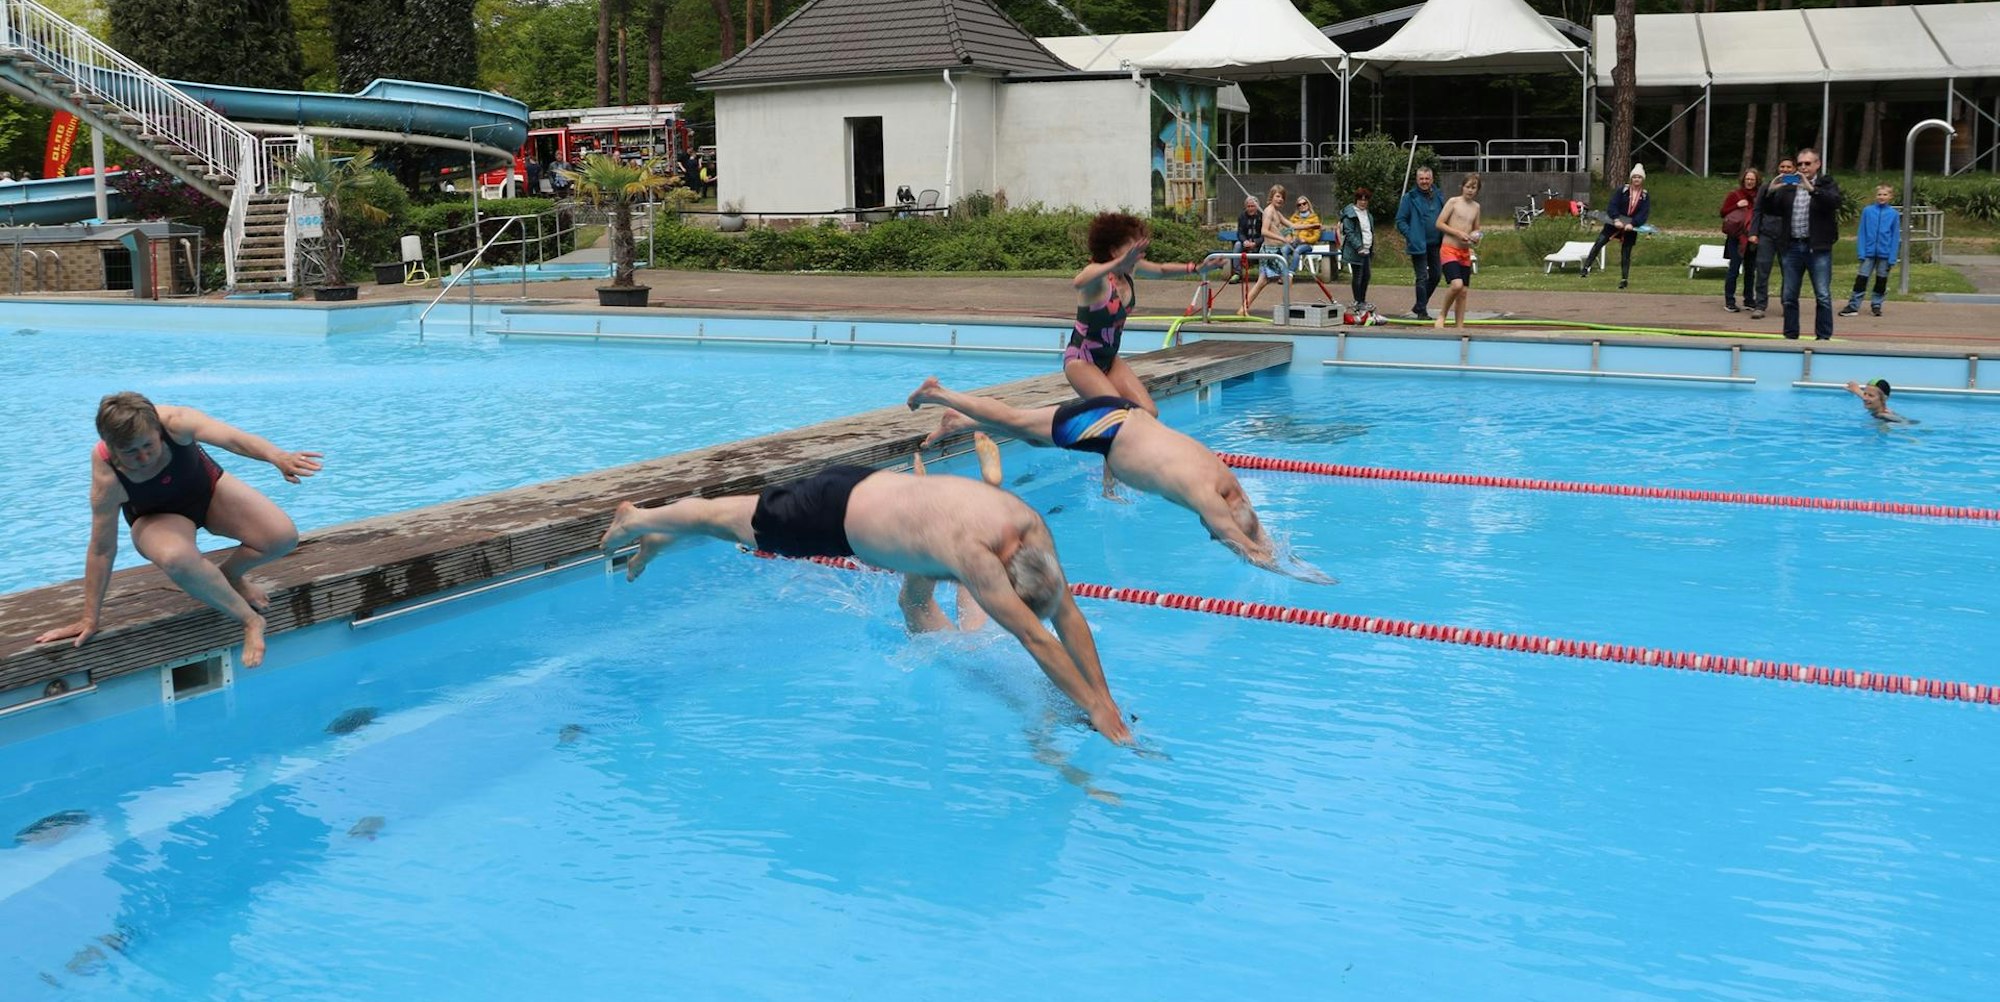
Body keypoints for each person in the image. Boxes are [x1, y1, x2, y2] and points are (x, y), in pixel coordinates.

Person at [597, 465, 1134, 745]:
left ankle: (663, 536)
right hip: (830, 518)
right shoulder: (975, 559)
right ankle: (638, 519)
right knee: (723, 519)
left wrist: (1103, 696)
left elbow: (1067, 614)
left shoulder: (1027, 524)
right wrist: (1093, 709)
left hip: (866, 487)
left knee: (728, 521)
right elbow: (1037, 637)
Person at [906, 377, 1336, 585]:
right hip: (1109, 425)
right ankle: (940, 393)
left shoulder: (1227, 483)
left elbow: (1248, 524)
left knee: (1034, 440)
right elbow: (1235, 533)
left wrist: (1273, 546)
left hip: (1115, 431)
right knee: (1016, 420)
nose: (1210, 534)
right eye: (1213, 530)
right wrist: (1276, 566)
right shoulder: (1207, 495)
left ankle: (959, 420)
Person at [35, 392, 322, 669]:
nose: (144, 458)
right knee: (176, 558)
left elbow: (233, 439)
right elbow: (102, 549)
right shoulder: (107, 478)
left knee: (281, 537)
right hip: (158, 518)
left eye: (149, 445)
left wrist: (277, 457)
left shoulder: (175, 421)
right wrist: (89, 618)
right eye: (131, 453)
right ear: (111, 447)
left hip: (208, 492)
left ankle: (228, 576)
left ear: (158, 430)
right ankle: (250, 621)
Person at [1062, 211, 1216, 419]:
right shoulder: (1098, 280)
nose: (1140, 255)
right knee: (1119, 416)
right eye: (1134, 249)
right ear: (1115, 251)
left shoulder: (1129, 270)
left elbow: (1161, 270)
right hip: (1082, 361)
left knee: (1148, 412)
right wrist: (1117, 263)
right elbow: (1078, 281)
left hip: (1109, 359)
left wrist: (1197, 268)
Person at [1762, 147, 1844, 340]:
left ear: (1818, 164)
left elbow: (1834, 202)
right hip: (1792, 247)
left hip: (1818, 249)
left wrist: (1812, 189)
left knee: (1822, 295)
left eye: (1808, 163)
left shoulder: (1826, 183)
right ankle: (1791, 336)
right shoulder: (1790, 186)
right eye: (1800, 164)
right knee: (1789, 296)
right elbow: (1772, 210)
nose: (1803, 167)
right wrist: (1771, 191)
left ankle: (1823, 337)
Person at [1582, 163, 1651, 288]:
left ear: (1642, 180)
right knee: (1599, 242)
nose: (1636, 179)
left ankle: (1624, 279)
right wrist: (1616, 219)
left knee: (1626, 253)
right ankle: (1586, 268)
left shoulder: (1644, 196)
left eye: (1639, 177)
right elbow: (1612, 205)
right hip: (1615, 223)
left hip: (1630, 226)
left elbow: (1643, 213)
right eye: (1634, 177)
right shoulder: (1622, 191)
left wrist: (1633, 223)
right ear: (1631, 178)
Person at [1841, 184, 1902, 319]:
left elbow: (1895, 236)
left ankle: (1877, 304)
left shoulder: (1893, 214)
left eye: (1885, 195)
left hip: (1885, 254)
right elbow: (1862, 231)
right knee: (1861, 279)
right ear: (1876, 196)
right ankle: (1853, 304)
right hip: (1868, 252)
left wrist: (1893, 256)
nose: (1882, 197)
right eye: (1879, 194)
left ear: (1890, 197)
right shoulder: (1868, 211)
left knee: (1881, 280)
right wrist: (1861, 251)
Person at [1746, 156, 1795, 320]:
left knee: (1788, 271)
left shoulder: (1797, 188)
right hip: (1766, 233)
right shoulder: (1766, 186)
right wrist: (1753, 232)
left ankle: (1787, 304)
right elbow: (1757, 210)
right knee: (1762, 270)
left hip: (1787, 235)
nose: (1785, 170)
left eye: (1789, 167)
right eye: (1782, 167)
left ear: (1794, 169)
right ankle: (1760, 305)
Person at [1431, 173, 1482, 329]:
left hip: (1464, 253)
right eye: (1468, 187)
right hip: (1449, 249)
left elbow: (1477, 229)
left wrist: (1476, 237)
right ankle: (1442, 314)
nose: (1470, 190)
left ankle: (1460, 326)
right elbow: (1439, 223)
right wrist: (1457, 233)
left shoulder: (1476, 207)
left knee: (1463, 292)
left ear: (1477, 190)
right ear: (1462, 187)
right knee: (1457, 285)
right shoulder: (1453, 202)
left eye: (1473, 188)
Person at [1395, 166, 1444, 320]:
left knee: (1436, 275)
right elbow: (1400, 221)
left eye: (1427, 178)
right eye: (1421, 179)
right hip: (1418, 245)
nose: (1424, 181)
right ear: (1417, 180)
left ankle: (1419, 304)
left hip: (1436, 243)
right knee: (1422, 276)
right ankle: (1422, 311)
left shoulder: (1439, 195)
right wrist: (1411, 235)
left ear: (1432, 179)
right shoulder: (1409, 198)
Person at [1244, 183, 1296, 312]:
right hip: (1269, 251)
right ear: (1272, 197)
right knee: (1287, 278)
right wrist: (1282, 238)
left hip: (1275, 251)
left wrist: (1312, 226)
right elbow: (1264, 231)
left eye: (1282, 197)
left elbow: (1293, 226)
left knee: (1262, 282)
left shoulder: (1277, 213)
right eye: (1278, 196)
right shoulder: (1269, 211)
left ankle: (1243, 308)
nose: (1280, 199)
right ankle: (1286, 310)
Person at [1720, 168, 1760, 313]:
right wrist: (1737, 205)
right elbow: (1723, 212)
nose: (1749, 182)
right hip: (1736, 237)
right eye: (1747, 179)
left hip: (1752, 237)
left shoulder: (1759, 196)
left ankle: (1749, 300)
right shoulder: (1735, 195)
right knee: (1734, 269)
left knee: (1750, 270)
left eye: (1752, 180)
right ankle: (1729, 301)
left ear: (1757, 181)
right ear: (1743, 180)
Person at [1339, 187, 1374, 308]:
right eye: (1360, 199)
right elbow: (1349, 233)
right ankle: (1357, 301)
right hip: (1356, 251)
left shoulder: (1367, 214)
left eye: (1365, 199)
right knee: (1358, 276)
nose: (1363, 202)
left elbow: (1368, 230)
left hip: (1367, 249)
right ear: (1356, 200)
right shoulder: (1350, 214)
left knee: (1366, 276)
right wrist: (1359, 247)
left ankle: (1362, 300)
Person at [1843, 379, 1914, 424]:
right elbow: (1869, 398)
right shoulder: (1877, 408)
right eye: (1865, 394)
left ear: (1884, 398)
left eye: (1870, 395)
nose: (1865, 398)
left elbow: (1905, 425)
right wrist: (1856, 390)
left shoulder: (1882, 417)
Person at [1288, 193, 1325, 276]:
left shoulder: (1314, 218)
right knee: (1284, 250)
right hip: (1294, 242)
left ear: (1308, 204)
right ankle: (1283, 273)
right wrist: (1290, 238)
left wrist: (1306, 240)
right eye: (1299, 205)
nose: (1302, 206)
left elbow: (1316, 235)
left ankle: (1290, 274)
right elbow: (1288, 230)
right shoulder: (1294, 217)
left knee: (1297, 251)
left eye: (1304, 203)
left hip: (1307, 244)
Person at [1232, 195, 1263, 285]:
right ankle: (1237, 273)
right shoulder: (1242, 216)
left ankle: (1262, 275)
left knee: (1264, 247)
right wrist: (1244, 241)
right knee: (1237, 245)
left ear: (1257, 206)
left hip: (1258, 244)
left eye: (1252, 206)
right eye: (1248, 206)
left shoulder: (1262, 216)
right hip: (1246, 244)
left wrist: (1256, 242)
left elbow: (1265, 234)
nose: (1250, 208)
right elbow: (1240, 232)